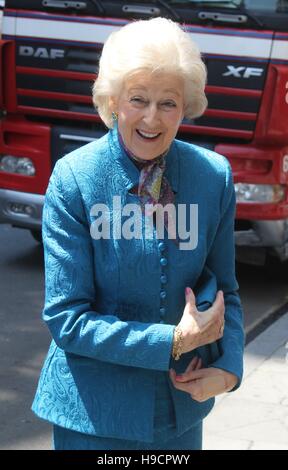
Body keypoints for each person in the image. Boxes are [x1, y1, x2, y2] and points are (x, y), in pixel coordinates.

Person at [32, 17, 245, 450]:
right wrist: (172, 340)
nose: (152, 118)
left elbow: (227, 289)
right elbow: (66, 318)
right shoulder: (75, 179)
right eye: (138, 99)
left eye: (168, 102)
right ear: (113, 103)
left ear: (186, 106)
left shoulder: (213, 176)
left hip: (180, 413)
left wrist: (231, 367)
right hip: (91, 417)